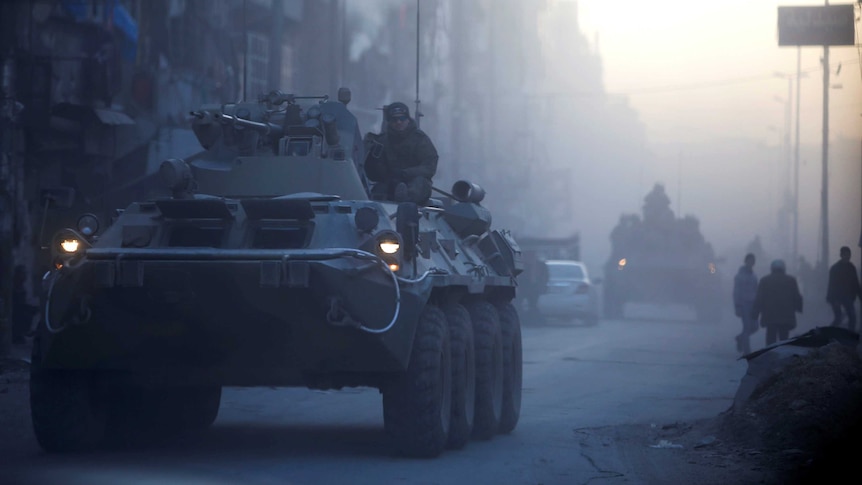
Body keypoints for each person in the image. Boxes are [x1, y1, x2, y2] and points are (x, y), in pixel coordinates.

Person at [364, 102, 438, 204]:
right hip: (391, 183)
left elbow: (430, 166)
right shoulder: (382, 141)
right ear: (389, 121)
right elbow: (373, 175)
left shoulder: (420, 139)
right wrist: (371, 158)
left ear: (408, 119)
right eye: (394, 120)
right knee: (378, 190)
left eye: (402, 119)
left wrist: (405, 173)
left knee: (419, 184)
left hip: (414, 183)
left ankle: (406, 200)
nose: (398, 122)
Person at [752, 259, 803, 346]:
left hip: (769, 316)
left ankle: (770, 357)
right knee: (784, 341)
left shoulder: (765, 280)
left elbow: (759, 298)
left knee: (770, 340)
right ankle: (783, 357)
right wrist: (799, 308)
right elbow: (797, 296)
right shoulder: (791, 280)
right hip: (786, 316)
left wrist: (755, 313)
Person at [826, 246, 862, 332]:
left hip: (848, 296)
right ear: (841, 255)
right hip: (837, 297)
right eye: (846, 255)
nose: (848, 257)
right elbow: (832, 285)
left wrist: (860, 296)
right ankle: (829, 333)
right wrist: (833, 300)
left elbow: (855, 284)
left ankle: (850, 336)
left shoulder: (851, 268)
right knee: (839, 318)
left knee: (852, 317)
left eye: (849, 255)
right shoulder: (835, 268)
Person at [732, 253, 759, 354]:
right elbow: (736, 292)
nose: (751, 262)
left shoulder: (754, 276)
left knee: (755, 327)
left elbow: (757, 290)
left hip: (753, 305)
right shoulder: (739, 276)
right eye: (749, 260)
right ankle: (747, 351)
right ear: (746, 261)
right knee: (747, 327)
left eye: (753, 260)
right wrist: (737, 306)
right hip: (743, 305)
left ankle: (740, 338)